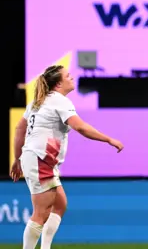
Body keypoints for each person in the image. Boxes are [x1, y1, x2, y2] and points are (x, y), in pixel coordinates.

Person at [10, 65, 124, 249]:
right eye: (67, 76)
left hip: (37, 158)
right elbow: (81, 127)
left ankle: (45, 247)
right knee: (40, 212)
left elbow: (19, 128)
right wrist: (109, 139)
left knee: (60, 205)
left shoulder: (38, 102)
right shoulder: (59, 101)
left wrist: (17, 159)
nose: (72, 78)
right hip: (40, 159)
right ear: (57, 85)